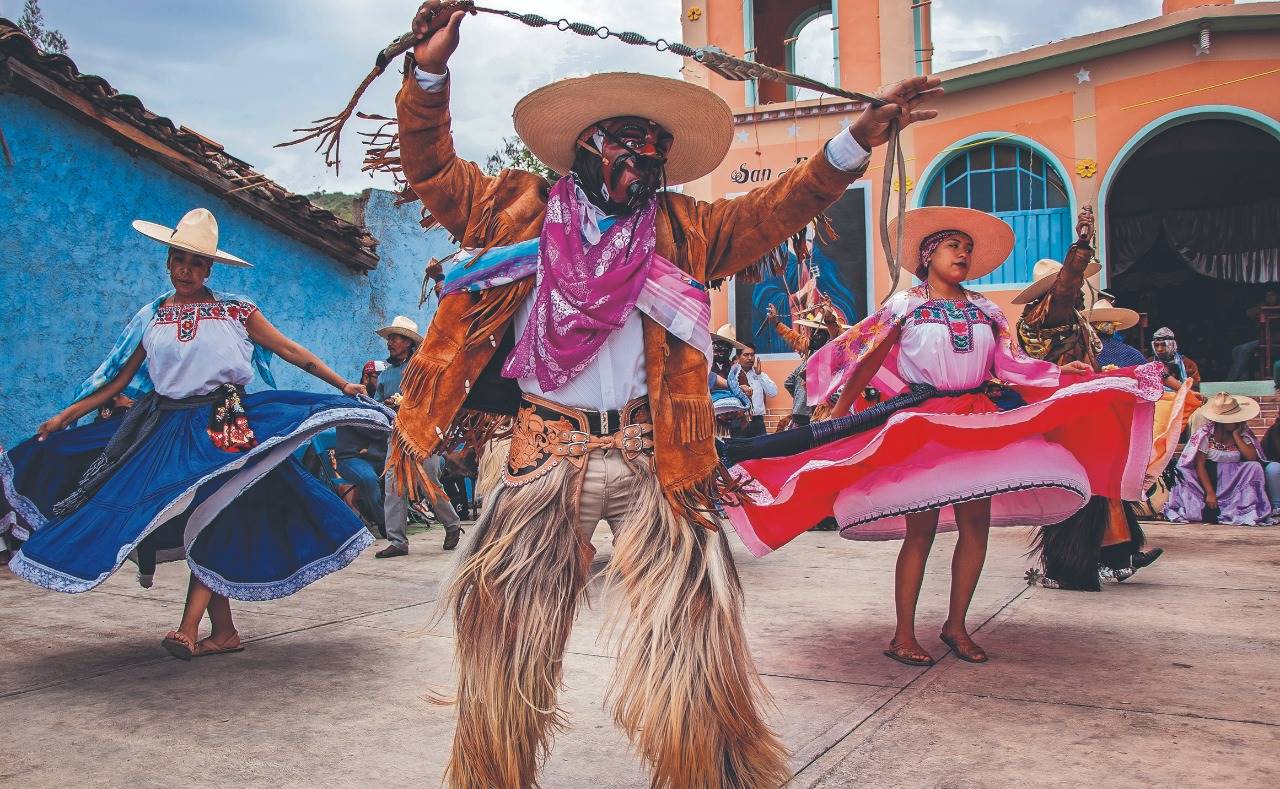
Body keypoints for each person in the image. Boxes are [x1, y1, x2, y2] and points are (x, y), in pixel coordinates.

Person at [385, 3, 941, 785]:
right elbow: (433, 171)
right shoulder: (517, 211)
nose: (642, 161)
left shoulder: (684, 229)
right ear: (584, 148)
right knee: (503, 657)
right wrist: (430, 72)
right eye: (627, 146)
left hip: (658, 459)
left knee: (696, 657)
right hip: (542, 457)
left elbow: (776, 207)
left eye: (655, 151)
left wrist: (856, 141)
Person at [721, 205, 1158, 667]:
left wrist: (1056, 372)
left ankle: (956, 625)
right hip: (924, 422)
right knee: (922, 530)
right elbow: (866, 358)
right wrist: (840, 417)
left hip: (978, 420)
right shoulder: (905, 305)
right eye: (955, 246)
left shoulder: (986, 310)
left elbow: (1008, 365)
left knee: (976, 526)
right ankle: (902, 634)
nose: (963, 255)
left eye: (968, 249)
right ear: (929, 254)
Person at [1, 207, 390, 660]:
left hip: (224, 421)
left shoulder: (236, 310)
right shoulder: (150, 316)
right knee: (193, 517)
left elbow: (287, 348)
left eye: (196, 262)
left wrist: (341, 384)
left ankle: (188, 628)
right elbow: (118, 382)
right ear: (168, 261)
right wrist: (65, 417)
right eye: (178, 259)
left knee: (215, 509)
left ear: (209, 268)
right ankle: (223, 632)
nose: (185, 270)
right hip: (165, 428)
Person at [1012, 215, 1163, 591]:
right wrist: (1081, 247)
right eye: (1071, 286)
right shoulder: (1045, 315)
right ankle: (1079, 565)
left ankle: (1114, 555)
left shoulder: (1067, 320)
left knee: (1101, 481)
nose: (1078, 293)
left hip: (1079, 408)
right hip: (1066, 411)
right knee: (1081, 486)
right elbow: (1066, 289)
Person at [372, 315, 462, 557]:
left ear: (408, 342)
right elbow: (378, 404)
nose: (390, 342)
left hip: (423, 433)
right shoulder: (386, 375)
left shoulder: (423, 366)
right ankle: (397, 541)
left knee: (429, 482)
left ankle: (452, 524)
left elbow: (437, 398)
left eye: (395, 338)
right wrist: (387, 406)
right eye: (389, 338)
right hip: (396, 435)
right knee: (393, 485)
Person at [1165, 393, 1274, 526]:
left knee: (1254, 467)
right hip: (1208, 479)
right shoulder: (1205, 434)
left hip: (1233, 481)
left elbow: (1252, 457)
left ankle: (1242, 510)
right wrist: (1210, 493)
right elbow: (1200, 465)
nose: (1236, 421)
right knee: (1182, 472)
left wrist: (1236, 435)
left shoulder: (1243, 433)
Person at [335, 360, 391, 537]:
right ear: (366, 377)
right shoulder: (352, 400)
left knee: (400, 473)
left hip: (375, 456)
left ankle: (397, 520)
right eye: (378, 377)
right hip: (351, 459)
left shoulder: (380, 400)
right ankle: (383, 523)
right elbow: (371, 430)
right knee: (368, 479)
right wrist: (387, 423)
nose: (382, 381)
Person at [771, 300, 841, 427]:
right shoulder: (808, 357)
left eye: (820, 332)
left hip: (825, 414)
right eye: (813, 331)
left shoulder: (836, 355)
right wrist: (776, 323)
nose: (814, 335)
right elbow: (794, 338)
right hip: (805, 416)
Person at [1227, 288, 1279, 380]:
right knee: (1235, 350)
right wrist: (1261, 308)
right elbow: (1249, 313)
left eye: (1272, 295)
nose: (1270, 298)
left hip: (1274, 340)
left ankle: (1231, 379)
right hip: (1264, 340)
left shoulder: (1277, 308)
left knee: (1243, 349)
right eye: (1267, 296)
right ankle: (1242, 378)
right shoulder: (1263, 307)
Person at [731, 343, 776, 437]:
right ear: (738, 357)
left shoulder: (759, 374)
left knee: (762, 450)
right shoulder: (732, 375)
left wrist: (760, 375)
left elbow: (773, 393)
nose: (750, 358)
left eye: (752, 354)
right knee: (739, 450)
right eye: (746, 355)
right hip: (738, 421)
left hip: (757, 422)